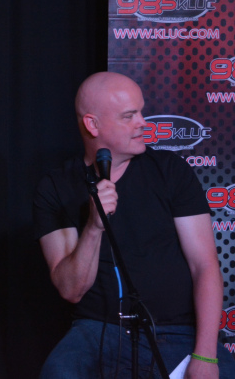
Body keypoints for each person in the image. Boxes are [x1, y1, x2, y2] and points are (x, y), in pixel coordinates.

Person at [33, 72, 235, 378]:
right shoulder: (56, 186)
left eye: (141, 111)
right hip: (98, 331)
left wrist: (205, 355)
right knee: (58, 372)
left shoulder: (170, 171)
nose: (143, 122)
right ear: (92, 124)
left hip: (176, 330)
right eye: (129, 116)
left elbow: (204, 266)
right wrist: (94, 227)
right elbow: (71, 290)